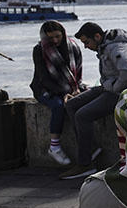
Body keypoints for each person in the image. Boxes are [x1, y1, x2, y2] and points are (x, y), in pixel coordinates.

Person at [60, 22, 127, 180]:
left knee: (82, 115)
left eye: (87, 42)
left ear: (97, 36)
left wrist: (113, 87)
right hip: (109, 87)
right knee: (72, 104)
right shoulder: (106, 46)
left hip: (123, 92)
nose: (85, 46)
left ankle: (85, 164)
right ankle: (91, 150)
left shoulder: (116, 47)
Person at [29, 20, 86, 166]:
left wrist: (76, 89)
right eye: (50, 38)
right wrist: (64, 92)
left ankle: (86, 144)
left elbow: (78, 70)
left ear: (63, 34)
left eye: (57, 36)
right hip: (45, 88)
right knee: (59, 105)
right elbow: (43, 77)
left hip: (70, 87)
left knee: (84, 100)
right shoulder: (39, 50)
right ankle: (54, 146)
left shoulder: (72, 46)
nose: (54, 41)